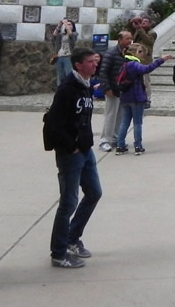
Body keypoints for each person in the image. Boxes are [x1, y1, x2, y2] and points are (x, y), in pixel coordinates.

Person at [46, 48, 103, 268]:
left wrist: (84, 145)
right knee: (68, 202)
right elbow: (53, 124)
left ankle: (72, 238)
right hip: (71, 154)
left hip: (85, 150)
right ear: (78, 65)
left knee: (94, 192)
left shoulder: (86, 86)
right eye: (90, 62)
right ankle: (59, 253)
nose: (94, 65)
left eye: (94, 61)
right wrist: (70, 147)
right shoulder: (67, 89)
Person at [115, 44, 173, 155]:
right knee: (137, 123)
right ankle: (138, 146)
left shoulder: (124, 64)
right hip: (136, 98)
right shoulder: (134, 64)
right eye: (140, 51)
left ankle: (120, 145)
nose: (143, 54)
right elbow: (147, 69)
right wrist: (161, 60)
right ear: (134, 53)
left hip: (125, 97)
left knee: (124, 122)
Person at [96, 31, 130, 152]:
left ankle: (115, 138)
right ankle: (104, 140)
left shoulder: (126, 53)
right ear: (120, 40)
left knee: (120, 115)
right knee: (110, 115)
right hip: (112, 89)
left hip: (122, 89)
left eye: (130, 38)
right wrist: (107, 88)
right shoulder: (110, 53)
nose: (130, 41)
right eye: (127, 39)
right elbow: (103, 72)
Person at [51, 18, 78, 88]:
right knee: (60, 76)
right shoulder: (61, 35)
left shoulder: (74, 34)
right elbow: (54, 35)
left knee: (69, 74)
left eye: (70, 25)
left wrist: (66, 23)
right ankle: (60, 90)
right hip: (59, 56)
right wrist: (59, 25)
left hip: (68, 56)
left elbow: (71, 35)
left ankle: (70, 89)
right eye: (67, 25)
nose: (68, 26)